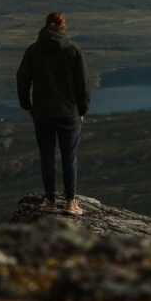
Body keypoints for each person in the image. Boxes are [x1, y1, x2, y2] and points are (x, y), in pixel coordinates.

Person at [16, 12, 90, 215]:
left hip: (42, 113)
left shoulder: (33, 51)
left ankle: (50, 201)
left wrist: (27, 105)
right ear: (62, 27)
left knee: (47, 157)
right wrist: (82, 110)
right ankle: (70, 202)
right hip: (69, 114)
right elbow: (82, 84)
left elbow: (22, 79)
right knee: (69, 157)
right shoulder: (74, 51)